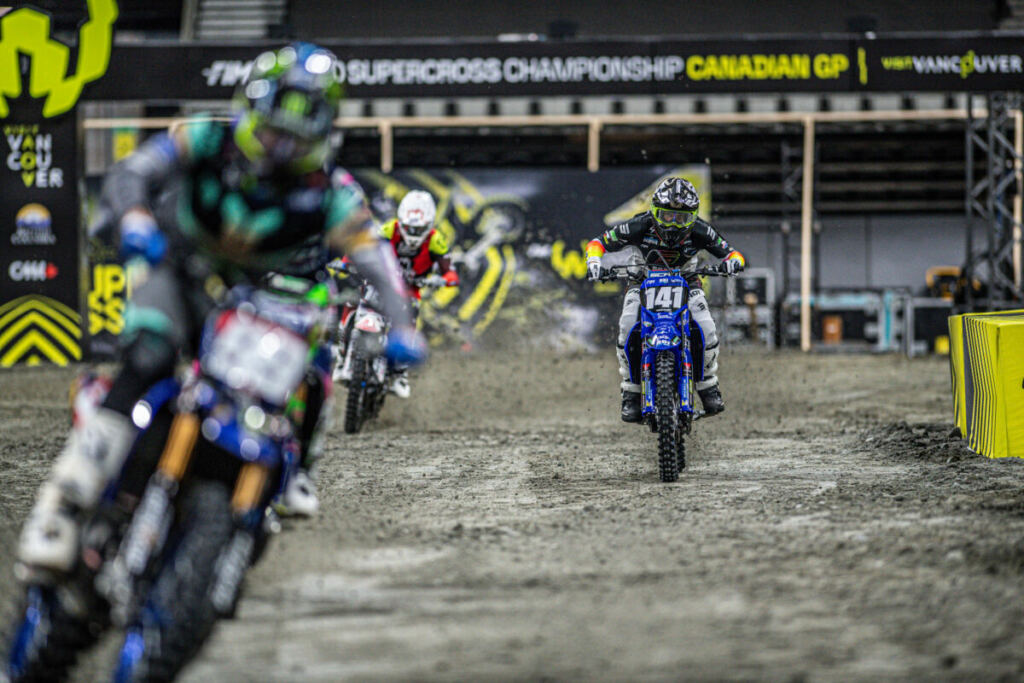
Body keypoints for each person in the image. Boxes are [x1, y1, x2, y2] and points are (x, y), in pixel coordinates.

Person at [17, 42, 425, 577]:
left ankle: (282, 476)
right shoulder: (205, 136)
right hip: (177, 268)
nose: (282, 148)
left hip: (253, 296)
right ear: (252, 111)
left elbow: (376, 259)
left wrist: (401, 325)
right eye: (275, 131)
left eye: (297, 137)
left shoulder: (330, 190)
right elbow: (130, 173)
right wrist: (135, 217)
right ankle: (62, 506)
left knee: (288, 377)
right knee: (150, 356)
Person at [585, 176, 745, 423]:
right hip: (642, 279)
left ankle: (708, 385)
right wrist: (594, 262)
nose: (673, 224)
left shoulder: (701, 230)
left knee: (706, 326)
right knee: (627, 324)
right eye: (667, 216)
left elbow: (732, 253)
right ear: (654, 211)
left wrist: (732, 263)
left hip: (687, 280)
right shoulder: (639, 224)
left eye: (681, 218)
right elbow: (598, 243)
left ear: (693, 217)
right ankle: (630, 391)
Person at [333, 190, 458, 398]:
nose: (413, 234)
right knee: (352, 302)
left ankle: (400, 374)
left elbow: (449, 269)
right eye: (409, 228)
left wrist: (445, 279)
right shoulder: (388, 229)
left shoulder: (436, 240)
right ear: (401, 221)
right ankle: (341, 355)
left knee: (411, 316)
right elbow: (363, 247)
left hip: (409, 291)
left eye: (419, 230)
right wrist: (346, 263)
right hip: (380, 283)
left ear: (429, 226)